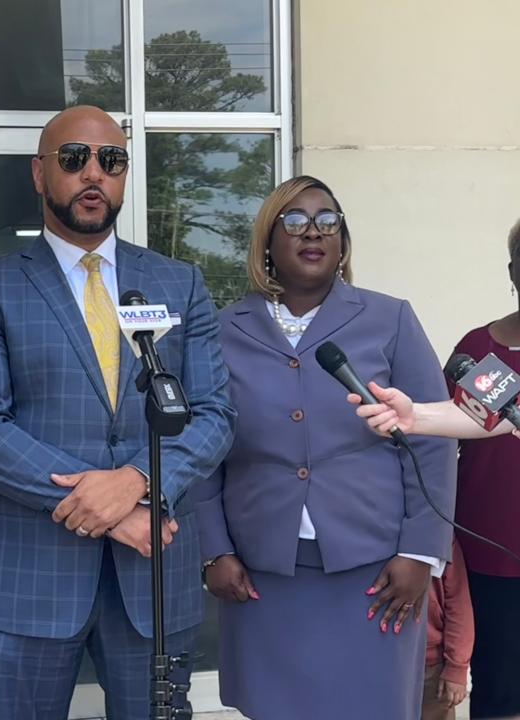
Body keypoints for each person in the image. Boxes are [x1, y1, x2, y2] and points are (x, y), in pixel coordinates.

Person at [0, 105, 236, 719]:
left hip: (151, 578)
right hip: (27, 578)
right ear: (39, 173)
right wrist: (109, 511)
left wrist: (137, 483)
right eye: (74, 159)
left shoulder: (178, 283)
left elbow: (213, 414)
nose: (93, 174)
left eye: (112, 160)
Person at [199, 175, 457, 719]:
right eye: (294, 221)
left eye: (327, 220)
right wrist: (213, 550)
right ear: (268, 242)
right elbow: (204, 449)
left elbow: (431, 442)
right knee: (277, 706)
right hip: (263, 570)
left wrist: (420, 553)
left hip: (376, 569)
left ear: (343, 243)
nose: (312, 231)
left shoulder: (390, 319)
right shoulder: (223, 330)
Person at [358, 222, 520, 719]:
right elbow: (476, 414)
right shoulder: (486, 354)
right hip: (496, 552)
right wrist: (418, 416)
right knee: (502, 688)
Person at [422, 537, 474, 720]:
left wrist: (456, 667)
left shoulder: (442, 539)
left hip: (432, 667)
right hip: (376, 664)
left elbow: (459, 605)